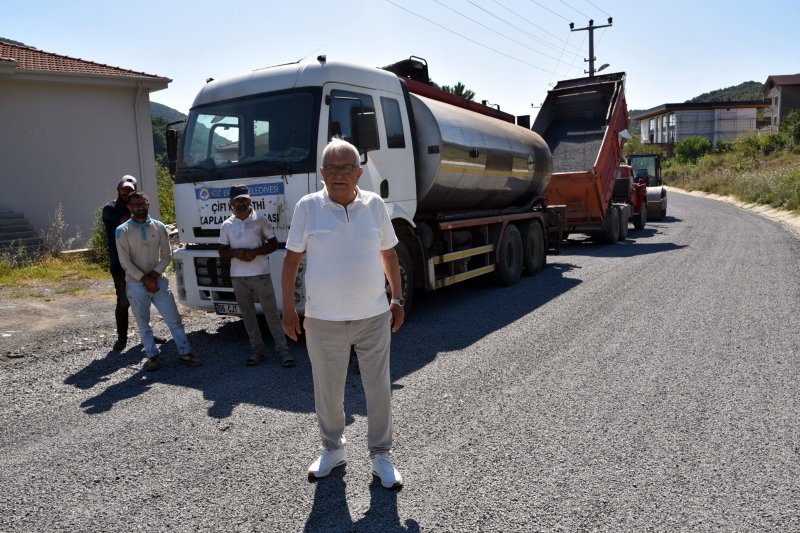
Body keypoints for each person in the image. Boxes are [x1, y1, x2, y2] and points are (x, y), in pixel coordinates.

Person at [281, 137, 405, 489]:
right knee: (327, 389)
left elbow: (389, 254)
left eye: (346, 168)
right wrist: (289, 309)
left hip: (373, 317)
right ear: (322, 173)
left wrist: (397, 299)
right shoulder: (308, 206)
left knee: (378, 388)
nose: (339, 174)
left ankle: (381, 454)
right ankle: (332, 448)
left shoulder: (375, 205)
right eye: (332, 168)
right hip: (322, 320)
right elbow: (291, 260)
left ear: (359, 172)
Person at [115, 191, 202, 371]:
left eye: (143, 204)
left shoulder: (159, 226)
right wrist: (144, 279)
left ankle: (185, 352)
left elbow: (167, 255)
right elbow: (124, 262)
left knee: (174, 319)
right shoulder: (122, 230)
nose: (140, 208)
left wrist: (153, 277)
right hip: (135, 284)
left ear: (148, 204)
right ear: (130, 207)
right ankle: (152, 355)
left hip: (158, 281)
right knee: (143, 324)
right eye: (136, 205)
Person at [219, 185, 293, 367]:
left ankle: (284, 352)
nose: (241, 203)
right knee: (248, 316)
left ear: (250, 200)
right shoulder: (226, 225)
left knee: (272, 314)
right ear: (231, 203)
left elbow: (274, 244)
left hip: (261, 275)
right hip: (238, 277)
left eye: (244, 199)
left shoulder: (261, 220)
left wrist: (256, 252)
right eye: (237, 200)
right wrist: (237, 253)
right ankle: (258, 351)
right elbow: (222, 252)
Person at [102, 175, 165, 351]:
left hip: (142, 264)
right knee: (123, 301)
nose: (126, 193)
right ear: (118, 190)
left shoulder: (138, 209)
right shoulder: (110, 209)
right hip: (121, 266)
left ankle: (148, 333)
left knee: (145, 299)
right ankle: (122, 338)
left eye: (130, 190)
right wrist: (137, 208)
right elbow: (123, 222)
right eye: (124, 190)